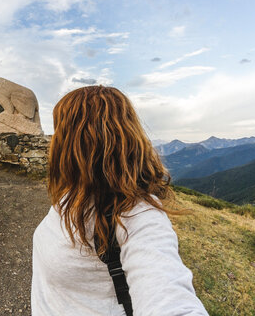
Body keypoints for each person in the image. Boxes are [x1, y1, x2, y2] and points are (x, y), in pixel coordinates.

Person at [31, 86, 208, 316]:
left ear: (74, 142)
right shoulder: (73, 193)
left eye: (60, 130)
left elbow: (170, 300)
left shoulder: (138, 216)